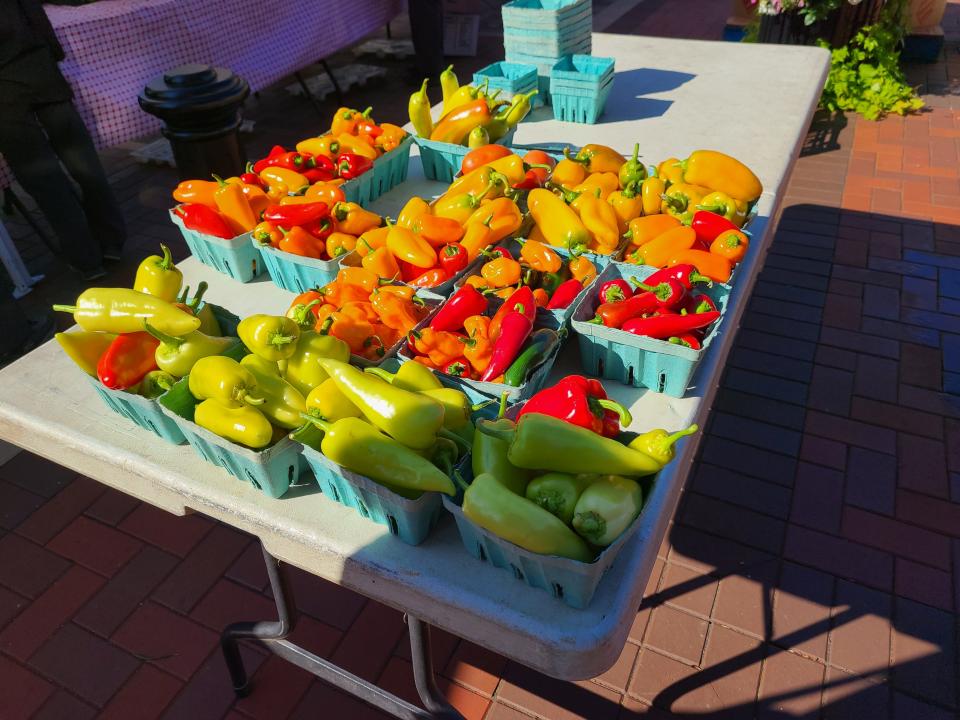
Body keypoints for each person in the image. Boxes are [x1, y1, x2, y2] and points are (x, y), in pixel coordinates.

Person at [0, 0, 126, 282]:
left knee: (46, 181)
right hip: (41, 69)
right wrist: (52, 54)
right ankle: (111, 241)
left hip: (7, 92)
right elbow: (34, 13)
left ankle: (86, 258)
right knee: (84, 165)